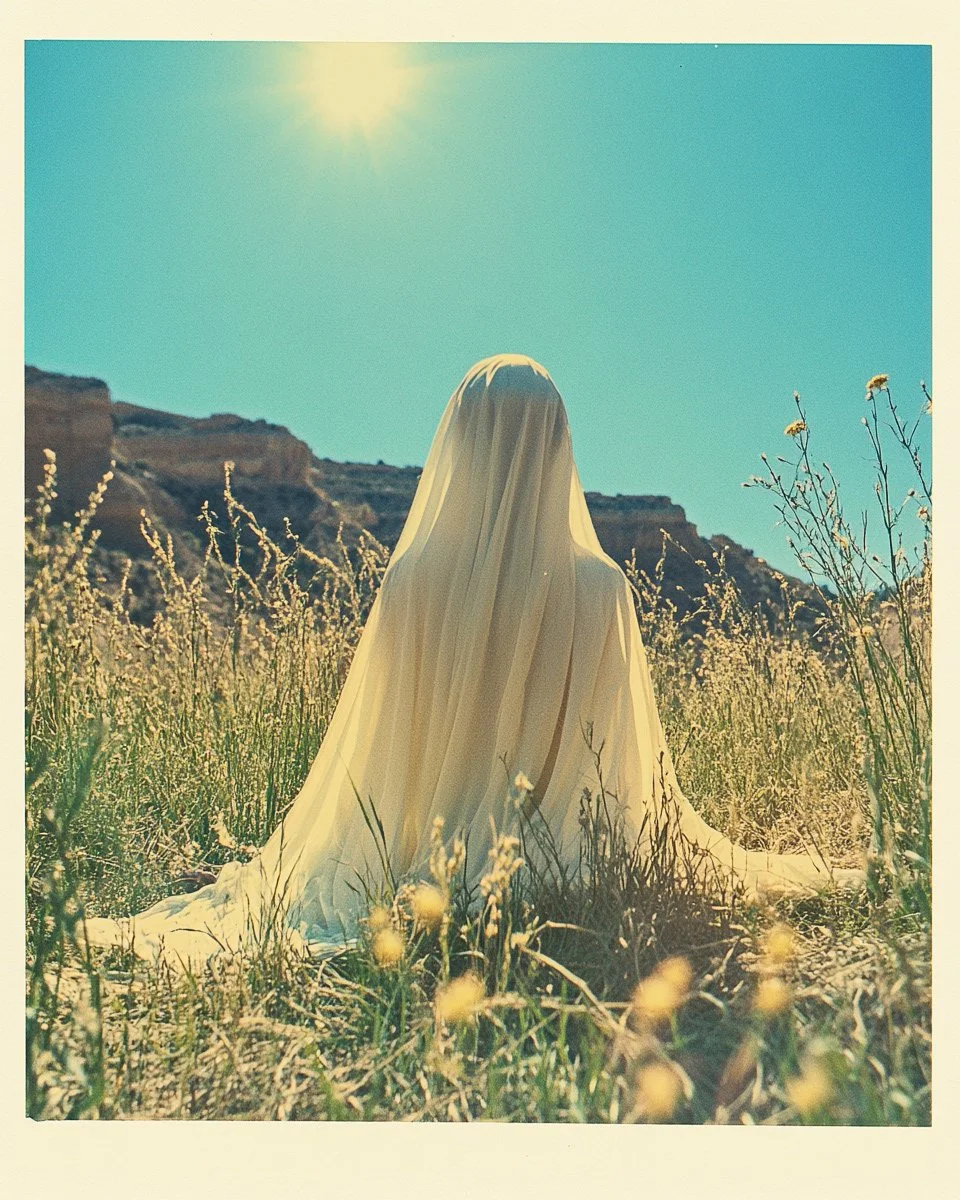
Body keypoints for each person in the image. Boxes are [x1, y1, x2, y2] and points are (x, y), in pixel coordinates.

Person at [84, 354, 861, 968]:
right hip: (566, 874)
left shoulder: (412, 582)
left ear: (459, 440)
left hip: (417, 867)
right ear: (559, 444)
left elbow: (383, 750)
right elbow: (618, 773)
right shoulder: (603, 588)